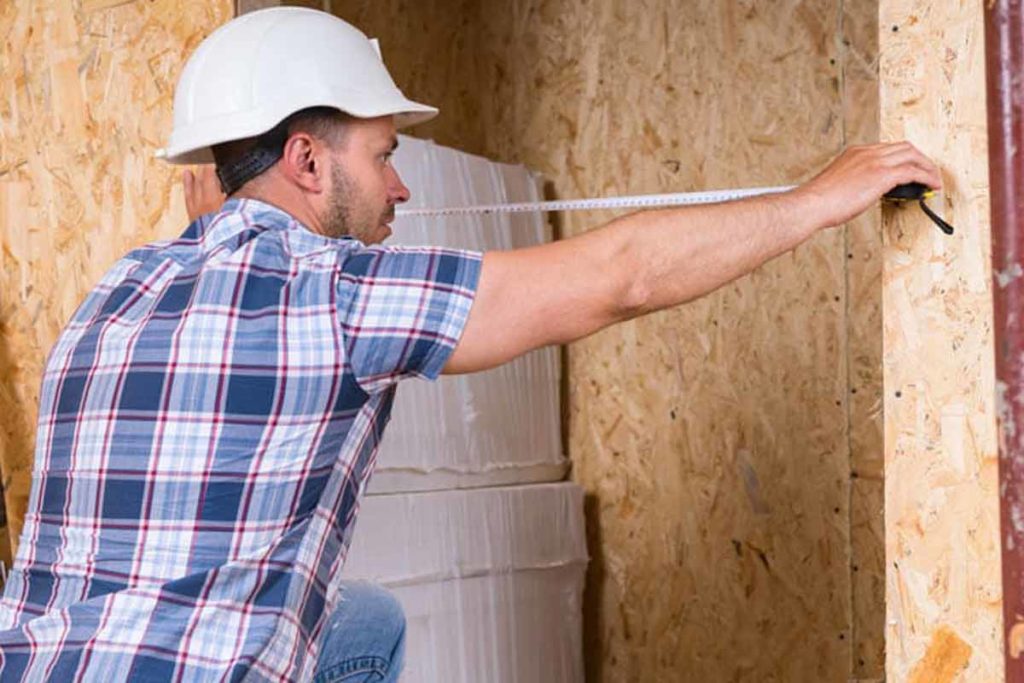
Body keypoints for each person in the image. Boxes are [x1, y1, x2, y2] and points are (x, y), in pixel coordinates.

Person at [0, 7, 941, 682]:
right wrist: (818, 199)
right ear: (306, 160)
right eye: (384, 155)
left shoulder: (115, 293)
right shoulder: (330, 292)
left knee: (362, 621)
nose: (399, 191)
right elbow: (622, 279)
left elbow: (225, 228)